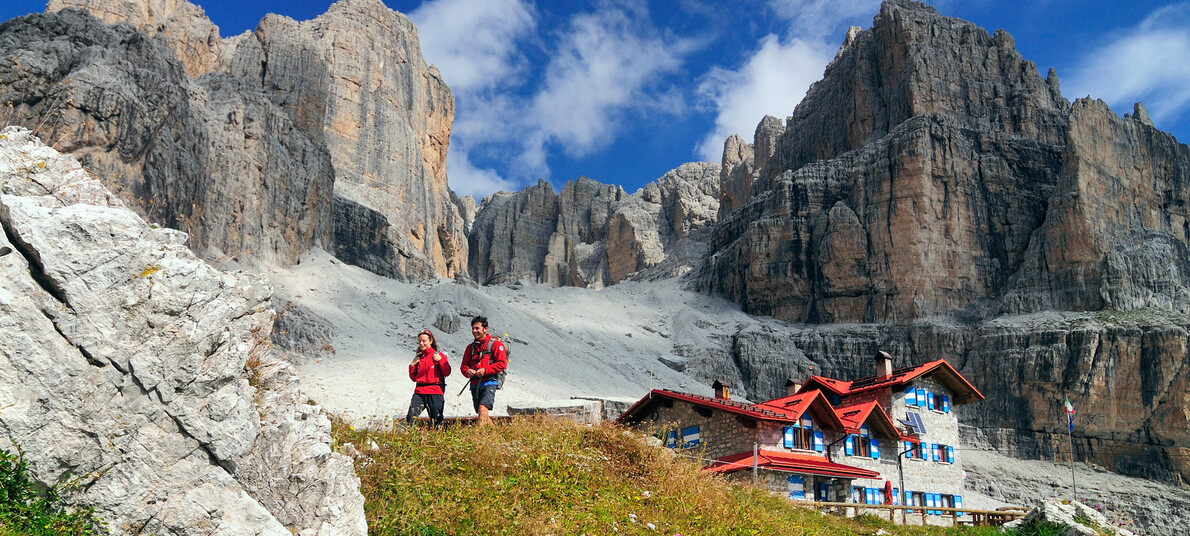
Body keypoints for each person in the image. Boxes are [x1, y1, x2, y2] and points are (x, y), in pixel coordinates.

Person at [459, 316, 507, 426]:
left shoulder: (496, 345)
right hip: (475, 385)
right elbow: (463, 366)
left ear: (485, 329)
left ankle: (479, 435)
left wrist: (485, 371)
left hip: (490, 382)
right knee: (482, 413)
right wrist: (468, 371)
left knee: (482, 408)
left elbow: (502, 364)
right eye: (473, 329)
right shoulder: (470, 348)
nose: (474, 331)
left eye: (477, 328)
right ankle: (495, 433)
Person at [407, 329, 451, 426]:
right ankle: (413, 438)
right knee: (410, 417)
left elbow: (447, 372)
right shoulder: (418, 358)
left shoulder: (438, 355)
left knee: (436, 420)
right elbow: (413, 378)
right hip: (419, 392)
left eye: (424, 341)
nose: (421, 344)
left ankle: (437, 438)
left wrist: (440, 361)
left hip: (434, 391)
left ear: (430, 341)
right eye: (420, 341)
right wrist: (412, 365)